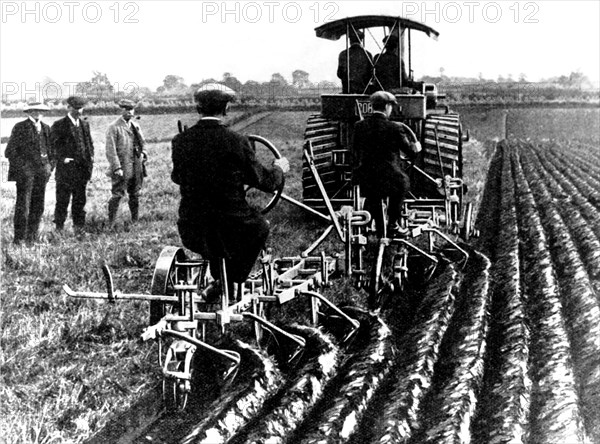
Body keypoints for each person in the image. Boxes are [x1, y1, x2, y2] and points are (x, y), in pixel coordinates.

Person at [171, 85, 289, 299]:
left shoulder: (180, 141)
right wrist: (280, 168)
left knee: (216, 239)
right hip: (232, 226)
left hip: (192, 226)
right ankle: (231, 279)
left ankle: (220, 279)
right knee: (260, 227)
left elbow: (177, 177)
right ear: (225, 108)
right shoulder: (237, 141)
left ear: (198, 108)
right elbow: (265, 181)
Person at [352, 91, 420, 237]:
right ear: (387, 107)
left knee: (373, 195)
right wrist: (416, 147)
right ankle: (393, 224)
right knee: (403, 183)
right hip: (391, 178)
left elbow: (355, 151)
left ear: (372, 106)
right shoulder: (396, 128)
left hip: (366, 177)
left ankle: (377, 226)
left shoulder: (359, 126)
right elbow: (411, 153)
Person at [4, 102, 55, 244]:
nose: (38, 113)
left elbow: (52, 151)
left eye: (40, 110)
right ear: (29, 112)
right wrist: (24, 169)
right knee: (23, 206)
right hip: (25, 175)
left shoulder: (46, 128)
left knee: (38, 205)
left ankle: (32, 238)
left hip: (42, 173)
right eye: (34, 110)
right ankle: (19, 239)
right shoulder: (20, 127)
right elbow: (10, 152)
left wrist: (49, 167)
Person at [51, 96, 95, 233]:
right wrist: (62, 158)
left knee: (80, 201)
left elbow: (89, 145)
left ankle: (79, 228)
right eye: (76, 108)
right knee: (62, 201)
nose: (79, 111)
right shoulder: (59, 125)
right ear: (68, 107)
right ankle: (59, 228)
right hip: (66, 171)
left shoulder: (84, 124)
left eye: (81, 108)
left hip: (82, 170)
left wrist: (90, 159)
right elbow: (52, 147)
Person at [105, 99, 147, 227]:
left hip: (136, 165)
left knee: (135, 194)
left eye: (131, 109)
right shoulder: (114, 127)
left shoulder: (135, 126)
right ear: (121, 110)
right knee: (117, 194)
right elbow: (110, 150)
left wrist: (144, 153)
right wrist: (117, 167)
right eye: (127, 109)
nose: (130, 112)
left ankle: (135, 220)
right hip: (122, 167)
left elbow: (143, 142)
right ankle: (111, 223)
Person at [337, 29, 373, 94]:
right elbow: (371, 74)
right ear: (361, 40)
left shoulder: (343, 54)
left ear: (350, 40)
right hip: (364, 90)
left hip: (348, 90)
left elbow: (339, 74)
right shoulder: (368, 54)